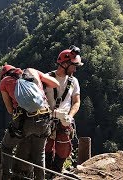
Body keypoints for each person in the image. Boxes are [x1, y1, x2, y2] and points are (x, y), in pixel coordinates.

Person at [0, 65, 59, 180]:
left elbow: (10, 110)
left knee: (6, 147)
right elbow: (55, 84)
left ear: (3, 75)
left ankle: (6, 177)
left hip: (23, 122)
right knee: (39, 154)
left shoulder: (5, 82)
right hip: (44, 118)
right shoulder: (32, 71)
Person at [44, 45, 84, 174]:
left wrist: (70, 116)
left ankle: (57, 172)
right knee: (46, 148)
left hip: (64, 120)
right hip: (48, 118)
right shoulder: (46, 78)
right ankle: (47, 172)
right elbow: (38, 100)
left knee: (63, 150)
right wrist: (52, 113)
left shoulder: (74, 81)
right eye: (74, 66)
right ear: (65, 64)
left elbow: (76, 102)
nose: (75, 69)